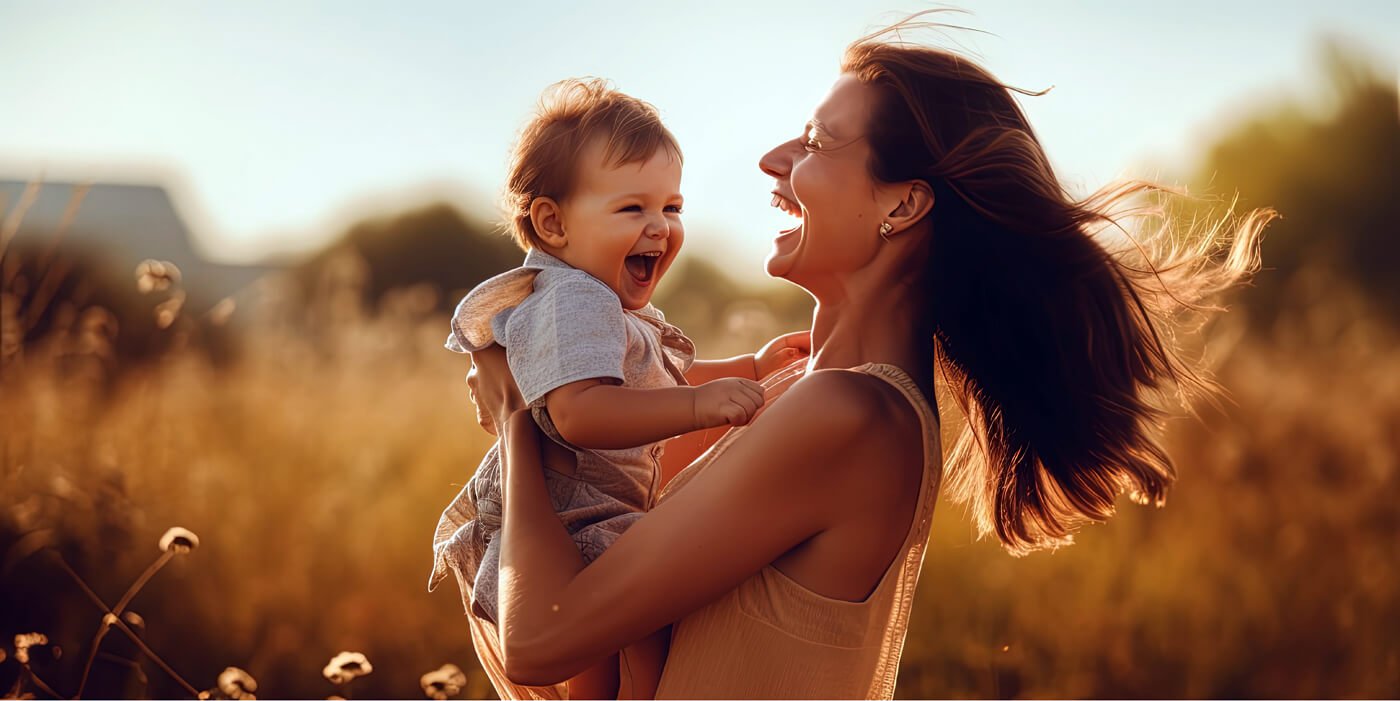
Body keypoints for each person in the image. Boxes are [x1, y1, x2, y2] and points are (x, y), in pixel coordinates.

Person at [472, 18, 1273, 700]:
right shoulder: (795, 388)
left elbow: (541, 642)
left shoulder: (847, 414)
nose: (773, 159)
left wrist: (516, 415)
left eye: (816, 141)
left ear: (903, 203)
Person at [428, 78, 808, 699]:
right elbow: (581, 412)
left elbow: (651, 381)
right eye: (633, 209)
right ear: (552, 223)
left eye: (673, 208)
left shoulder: (602, 303)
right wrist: (697, 406)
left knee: (631, 655)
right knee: (613, 661)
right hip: (572, 523)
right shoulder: (573, 298)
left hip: (598, 515)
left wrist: (750, 367)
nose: (660, 227)